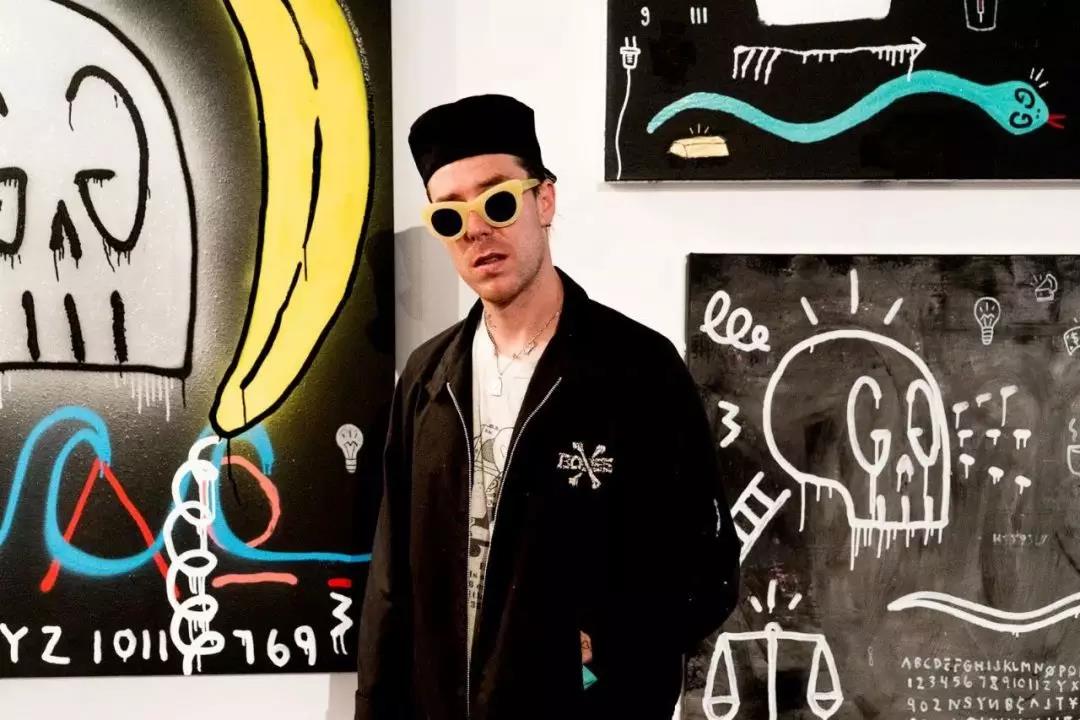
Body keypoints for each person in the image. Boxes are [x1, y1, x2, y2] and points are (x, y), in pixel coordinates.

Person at [355, 94, 739, 720]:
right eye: (450, 216)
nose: (476, 230)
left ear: (545, 201)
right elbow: (390, 587)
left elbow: (707, 565)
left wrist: (602, 645)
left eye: (497, 202)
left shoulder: (637, 369)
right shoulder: (427, 379)